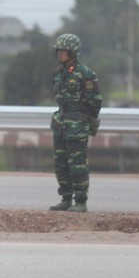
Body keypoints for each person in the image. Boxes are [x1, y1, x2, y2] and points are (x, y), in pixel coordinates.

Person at [49, 34, 103, 213]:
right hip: (61, 125)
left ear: (72, 52)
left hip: (77, 126)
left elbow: (95, 101)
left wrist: (89, 119)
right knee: (61, 164)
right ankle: (65, 198)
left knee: (77, 165)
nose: (59, 53)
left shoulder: (86, 74)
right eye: (58, 50)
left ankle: (80, 201)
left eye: (62, 50)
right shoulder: (59, 74)